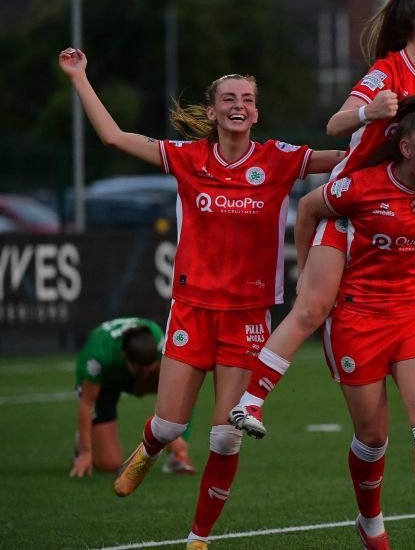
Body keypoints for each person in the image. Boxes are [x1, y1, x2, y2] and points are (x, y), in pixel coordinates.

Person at [58, 47, 343, 550]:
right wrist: (79, 77)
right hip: (192, 308)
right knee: (169, 424)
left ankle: (198, 538)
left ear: (256, 112)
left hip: (248, 315)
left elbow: (346, 159)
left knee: (225, 436)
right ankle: (148, 449)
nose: (239, 105)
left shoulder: (280, 159)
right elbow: (112, 137)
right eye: (228, 98)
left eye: (248, 99)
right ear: (211, 112)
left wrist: (403, 134)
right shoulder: (188, 158)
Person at [230, 0, 415, 444]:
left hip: (406, 208)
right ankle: (248, 404)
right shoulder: (387, 71)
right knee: (312, 307)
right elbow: (335, 125)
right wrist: (369, 111)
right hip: (357, 202)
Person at [296, 97, 415, 549]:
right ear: (406, 148)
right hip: (357, 317)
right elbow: (308, 208)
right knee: (373, 438)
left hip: (408, 314)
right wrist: (306, 279)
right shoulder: (363, 186)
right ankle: (370, 520)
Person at [71, 317, 194, 477]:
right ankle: (83, 441)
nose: (146, 375)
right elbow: (87, 403)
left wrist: (172, 433)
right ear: (126, 359)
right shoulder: (98, 355)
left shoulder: (158, 340)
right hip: (107, 382)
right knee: (110, 463)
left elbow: (176, 389)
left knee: (184, 386)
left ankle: (177, 455)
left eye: (149, 370)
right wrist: (85, 452)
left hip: (134, 374)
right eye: (143, 371)